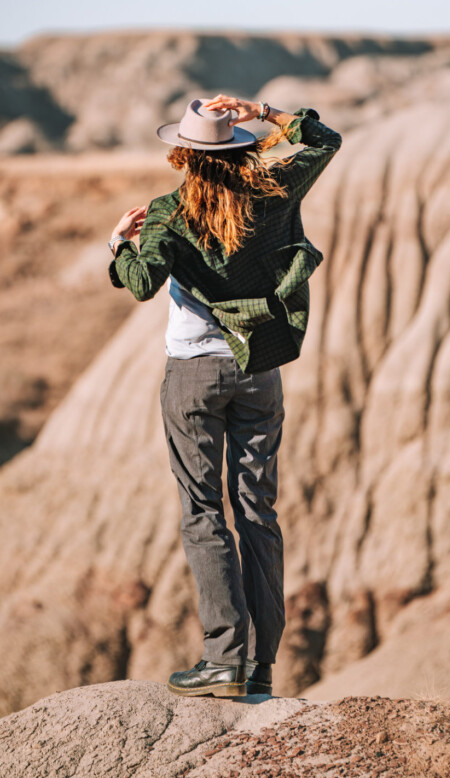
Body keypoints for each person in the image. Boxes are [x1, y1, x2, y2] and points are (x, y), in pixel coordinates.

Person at [107, 94, 342, 697]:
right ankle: (261, 667)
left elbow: (140, 284)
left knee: (203, 511)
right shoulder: (272, 192)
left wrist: (119, 247)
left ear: (183, 156)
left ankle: (224, 657)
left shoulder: (168, 212)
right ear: (238, 149)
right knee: (259, 513)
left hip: (193, 376)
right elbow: (325, 141)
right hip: (258, 368)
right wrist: (262, 109)